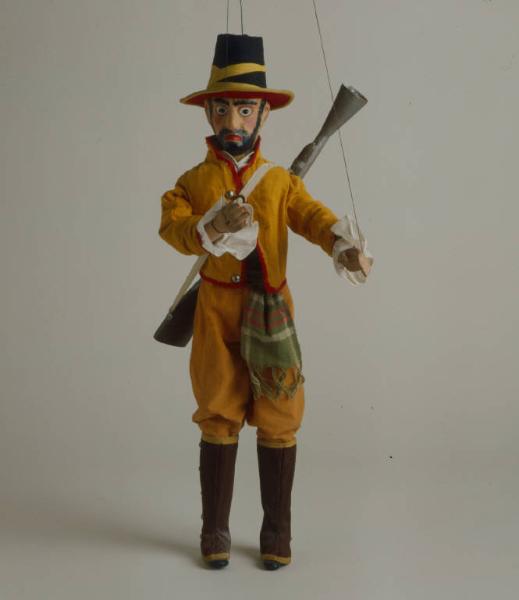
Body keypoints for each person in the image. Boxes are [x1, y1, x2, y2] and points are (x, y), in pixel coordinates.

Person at [159, 33, 373, 571]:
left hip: (272, 310)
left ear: (263, 115)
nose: (234, 120)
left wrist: (344, 246)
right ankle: (215, 530)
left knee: (281, 414)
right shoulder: (192, 182)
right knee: (218, 410)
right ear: (208, 112)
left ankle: (277, 531)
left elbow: (312, 216)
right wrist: (211, 226)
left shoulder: (278, 181)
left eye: (245, 108)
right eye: (223, 108)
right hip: (215, 311)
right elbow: (175, 227)